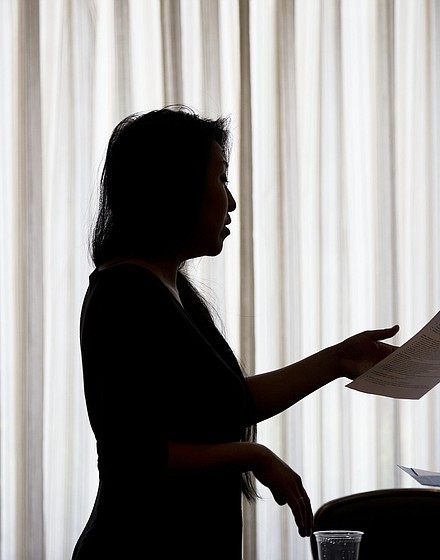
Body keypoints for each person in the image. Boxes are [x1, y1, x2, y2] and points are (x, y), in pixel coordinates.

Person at [72, 106, 399, 559]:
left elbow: (228, 406)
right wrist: (253, 455)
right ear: (176, 185)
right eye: (221, 178)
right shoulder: (123, 295)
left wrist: (338, 360)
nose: (231, 201)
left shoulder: (168, 288)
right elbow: (132, 458)